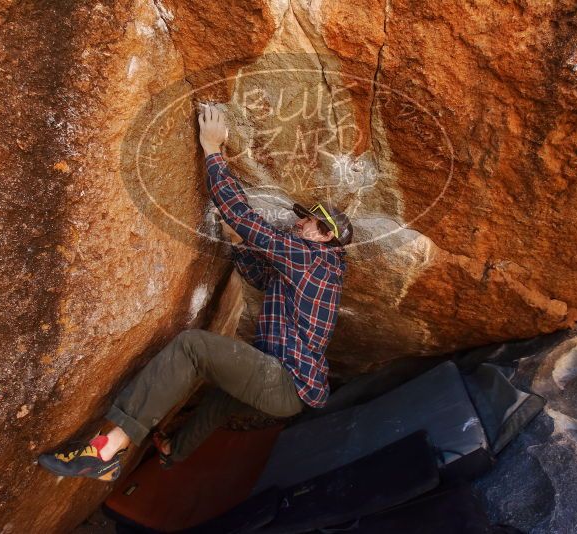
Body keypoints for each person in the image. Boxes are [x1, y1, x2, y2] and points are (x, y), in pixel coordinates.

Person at [38, 104, 354, 481]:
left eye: (310, 221)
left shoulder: (313, 259)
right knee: (221, 399)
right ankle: (174, 451)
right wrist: (237, 242)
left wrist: (212, 151)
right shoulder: (315, 268)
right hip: (288, 392)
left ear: (325, 236)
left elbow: (245, 219)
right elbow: (258, 274)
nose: (300, 221)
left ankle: (108, 450)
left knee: (193, 347)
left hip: (283, 382)